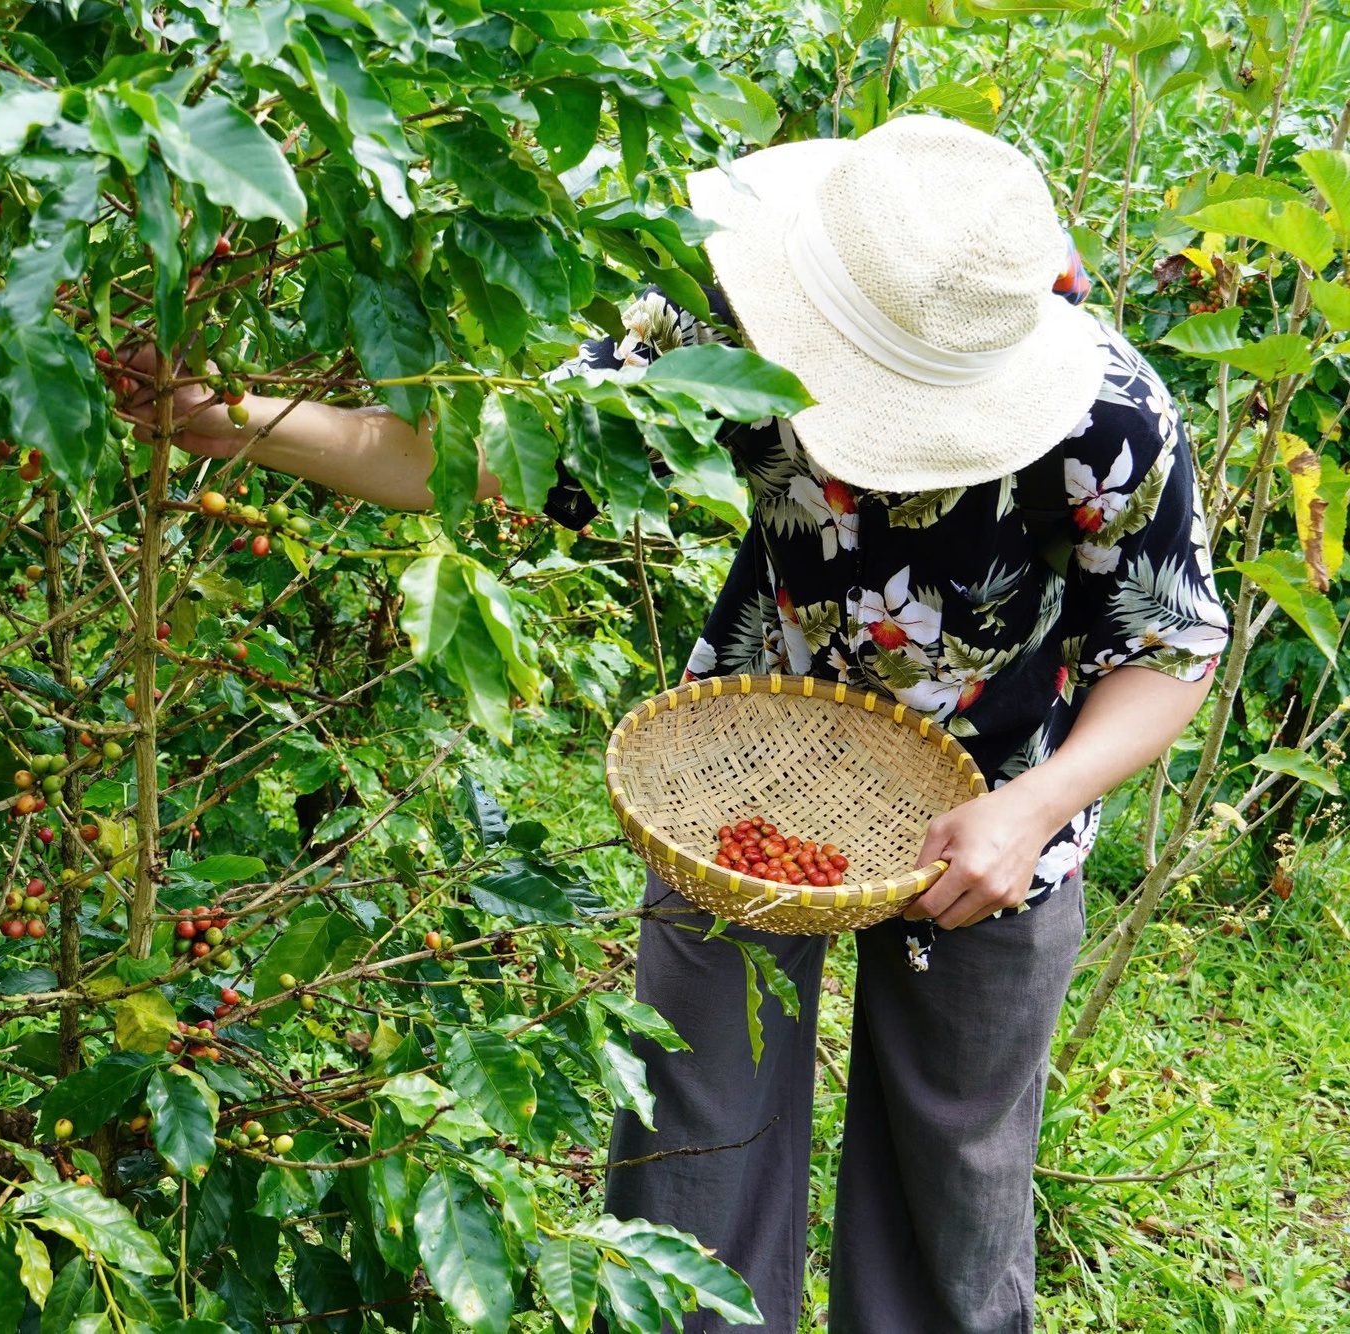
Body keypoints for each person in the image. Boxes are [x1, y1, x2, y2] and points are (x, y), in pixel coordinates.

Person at [126, 116, 1230, 1333]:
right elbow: (489, 456)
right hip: (745, 760)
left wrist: (1027, 810)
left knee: (955, 1166)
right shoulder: (727, 319)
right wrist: (239, 422)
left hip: (1003, 796)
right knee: (692, 1124)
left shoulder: (1109, 419)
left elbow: (1170, 647)